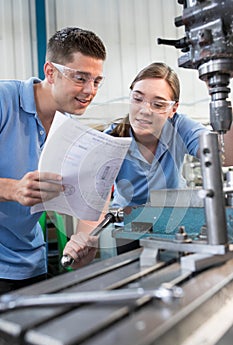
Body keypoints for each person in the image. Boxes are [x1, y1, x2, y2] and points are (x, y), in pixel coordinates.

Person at [0, 26, 107, 294]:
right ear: (50, 72)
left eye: (96, 81)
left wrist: (86, 236)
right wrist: (12, 189)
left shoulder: (69, 130)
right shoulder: (4, 101)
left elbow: (96, 190)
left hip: (30, 263)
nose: (90, 91)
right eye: (80, 78)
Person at [104, 62, 208, 208]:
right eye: (138, 99)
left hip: (174, 217)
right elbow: (97, 196)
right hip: (124, 221)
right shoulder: (112, 138)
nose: (145, 110)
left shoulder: (179, 128)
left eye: (158, 105)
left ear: (173, 109)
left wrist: (218, 93)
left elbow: (222, 154)